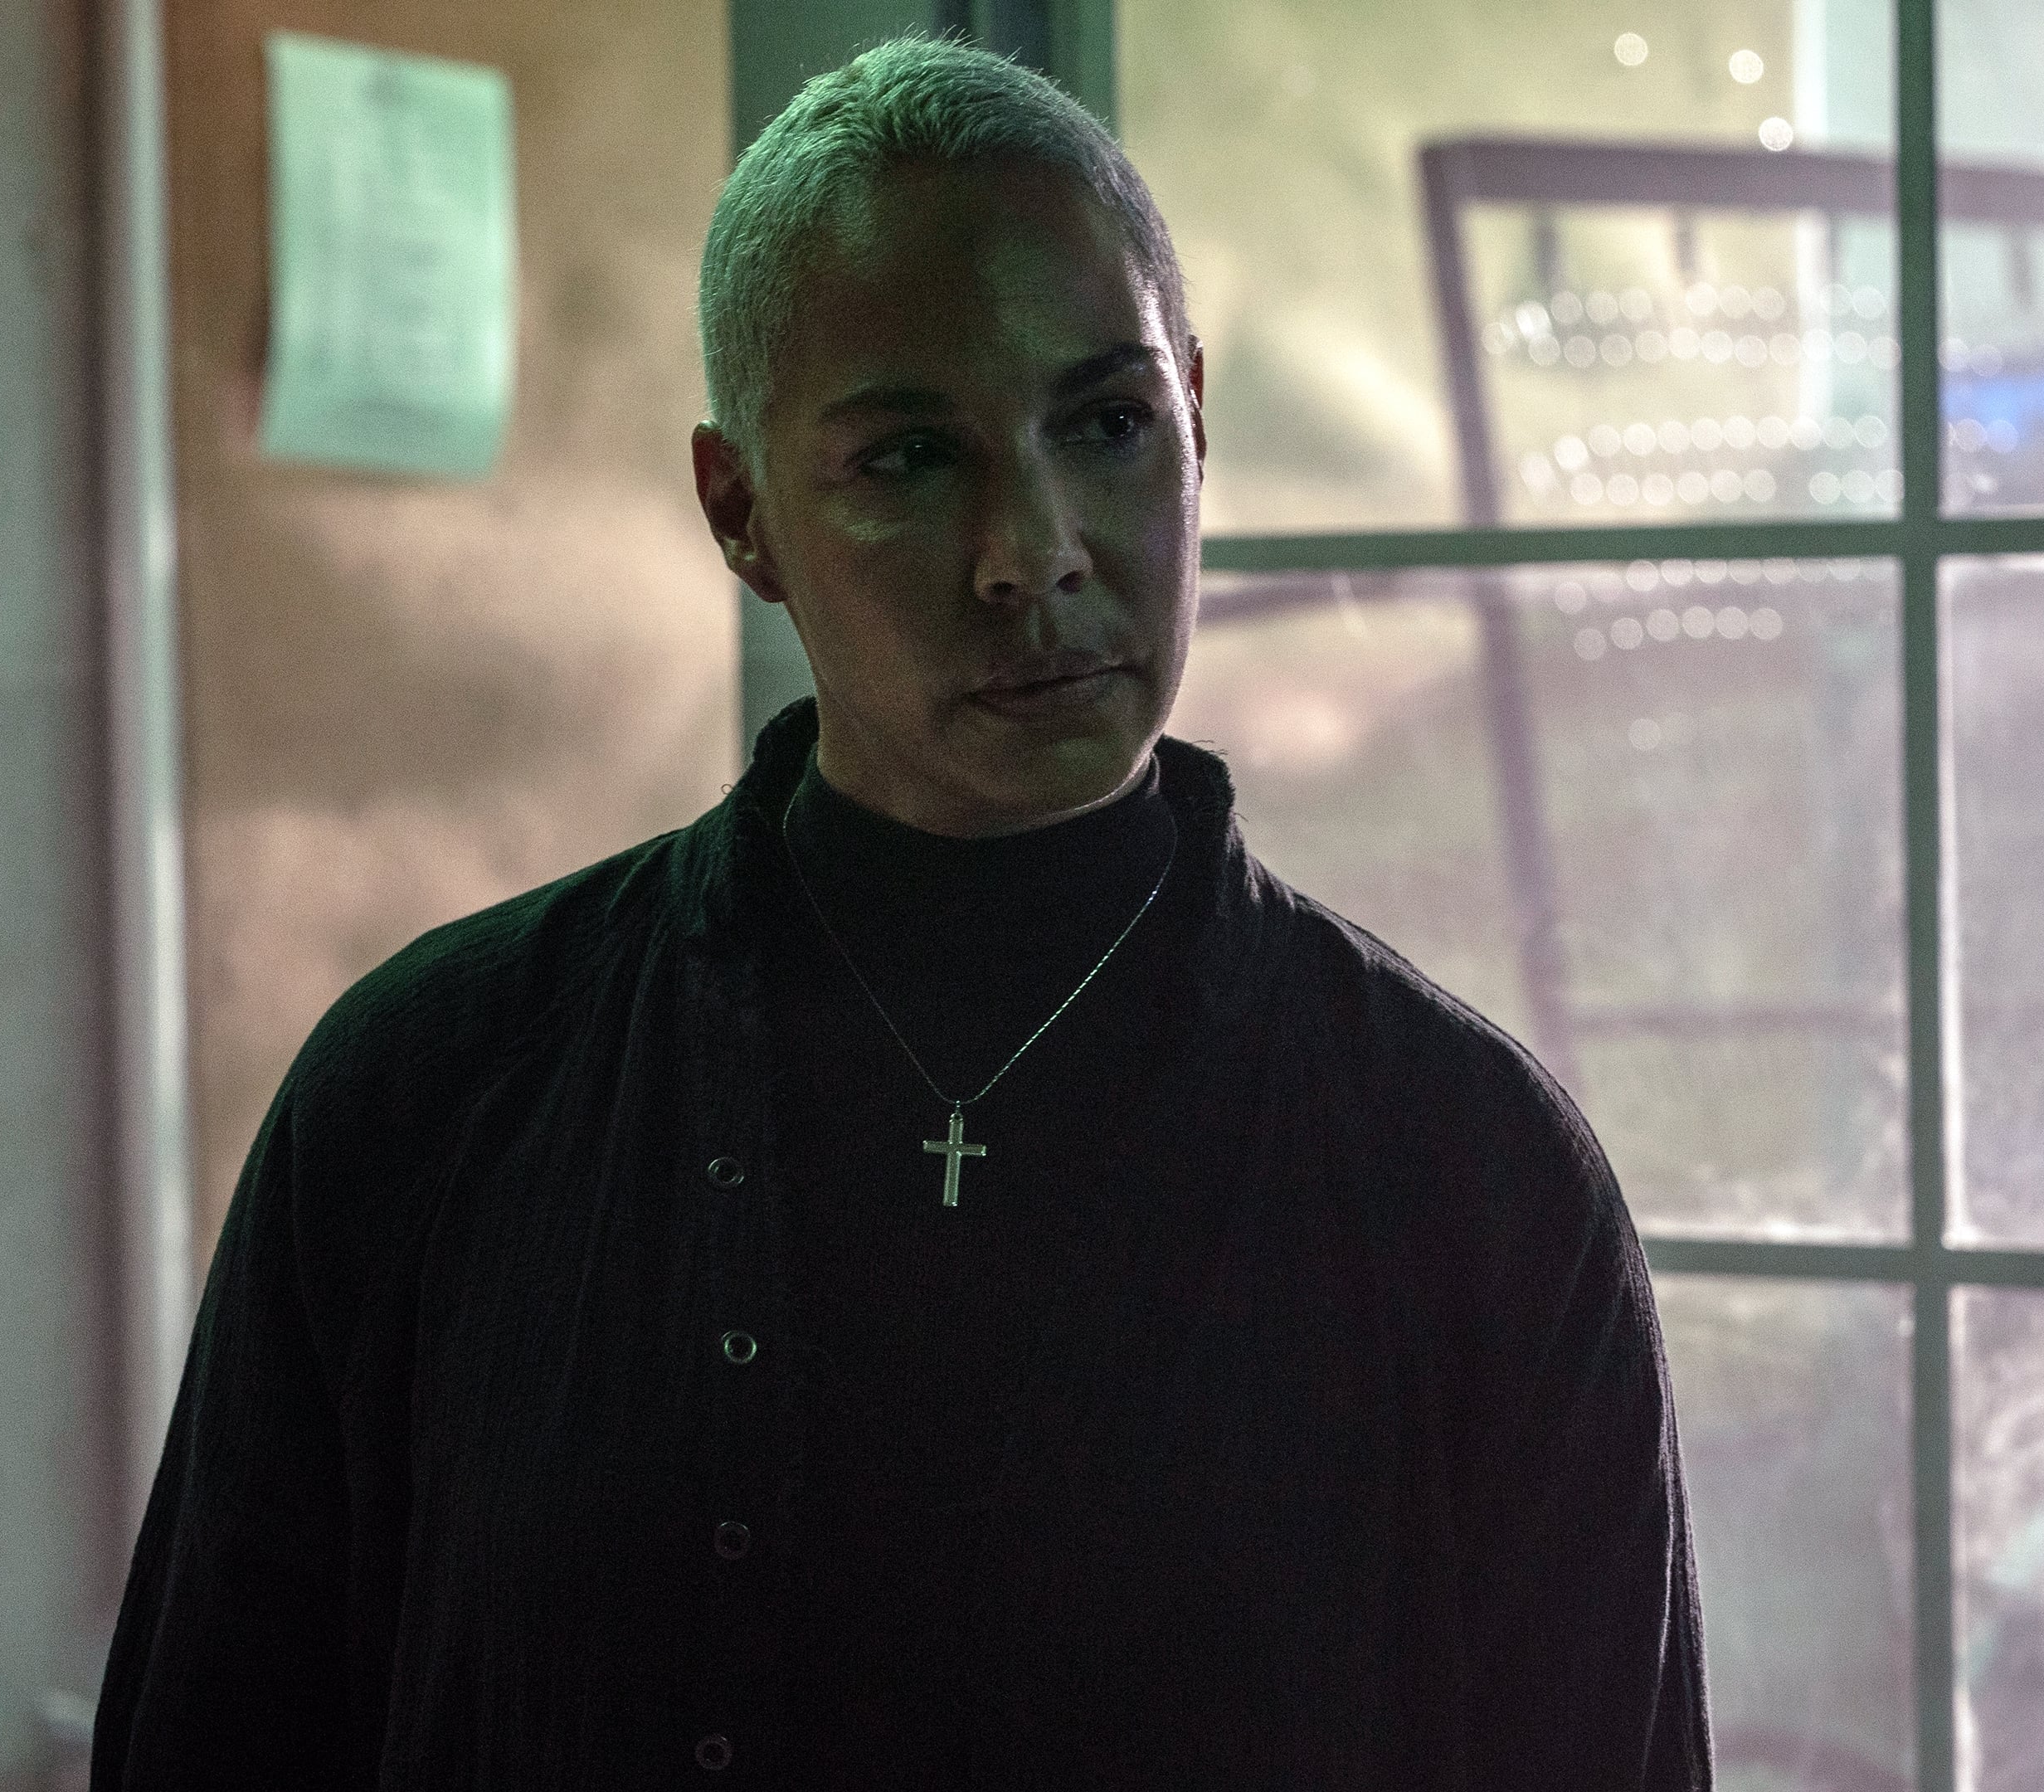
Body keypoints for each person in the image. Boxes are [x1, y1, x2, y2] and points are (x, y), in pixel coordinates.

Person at [95, 32, 1709, 1790]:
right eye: (913, 458)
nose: (1035, 550)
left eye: (1105, 425)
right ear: (741, 514)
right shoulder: (431, 1098)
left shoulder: (1468, 1176)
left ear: (1196, 420)